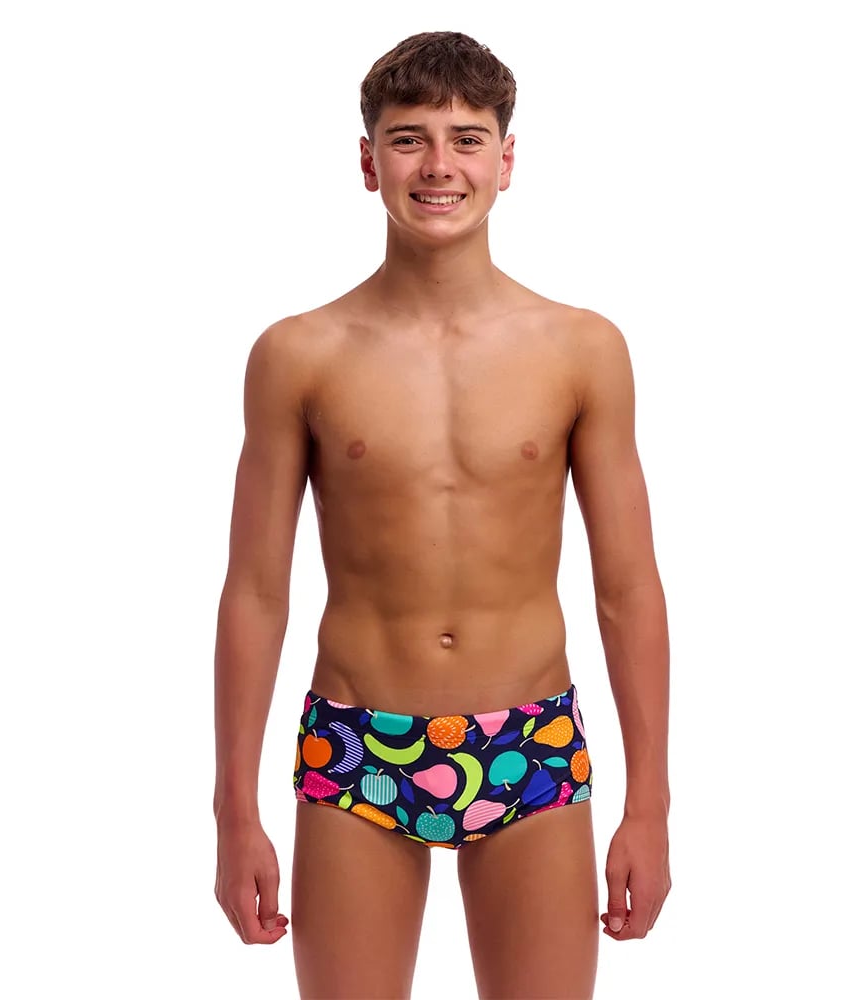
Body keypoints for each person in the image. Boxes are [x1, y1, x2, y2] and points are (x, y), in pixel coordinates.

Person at [213, 30, 671, 1000]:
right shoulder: (298, 355)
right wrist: (233, 813)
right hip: (357, 743)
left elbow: (628, 589)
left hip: (529, 744)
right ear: (367, 160)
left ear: (507, 160)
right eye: (408, 137)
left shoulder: (581, 349)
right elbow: (254, 592)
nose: (438, 165)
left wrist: (651, 807)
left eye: (466, 139)